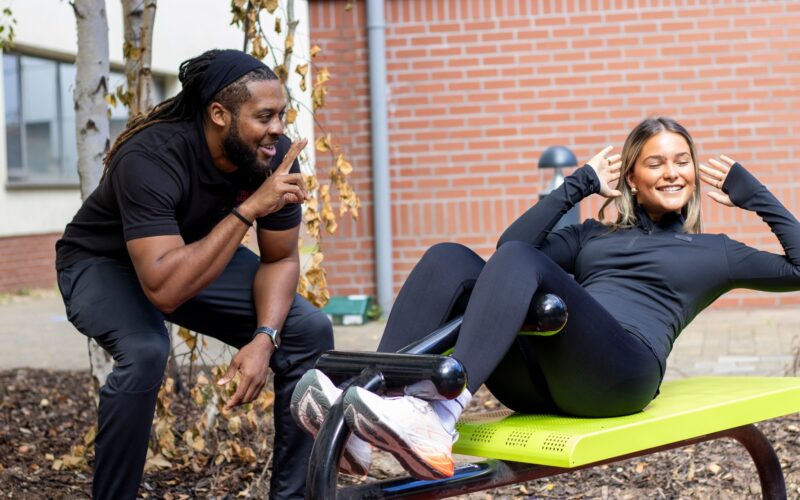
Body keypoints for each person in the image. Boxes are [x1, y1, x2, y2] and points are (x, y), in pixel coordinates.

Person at [290, 117, 800, 480]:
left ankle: (439, 420)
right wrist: (577, 186)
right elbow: (508, 248)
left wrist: (752, 194)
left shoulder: (714, 252)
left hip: (620, 376)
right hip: (541, 380)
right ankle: (374, 403)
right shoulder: (593, 237)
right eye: (655, 163)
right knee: (450, 256)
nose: (672, 172)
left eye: (682, 161)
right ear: (630, 178)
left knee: (520, 261)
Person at [55, 49, 334, 499]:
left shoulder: (273, 155)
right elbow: (165, 292)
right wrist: (249, 209)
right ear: (219, 114)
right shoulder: (150, 156)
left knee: (307, 329)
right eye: (264, 116)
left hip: (185, 256)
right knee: (145, 350)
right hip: (102, 263)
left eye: (282, 115)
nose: (278, 130)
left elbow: (280, 259)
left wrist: (264, 337)